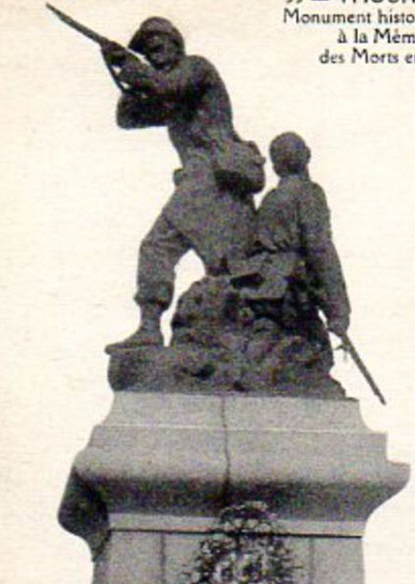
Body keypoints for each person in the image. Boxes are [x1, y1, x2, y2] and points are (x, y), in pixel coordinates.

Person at [102, 18, 264, 348]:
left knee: (160, 247)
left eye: (159, 47)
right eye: (149, 53)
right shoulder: (170, 94)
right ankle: (150, 327)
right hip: (199, 180)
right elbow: (128, 119)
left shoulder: (196, 70)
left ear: (176, 45)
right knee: (199, 258)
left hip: (213, 177)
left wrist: (134, 67)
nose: (155, 56)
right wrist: (125, 78)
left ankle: (152, 327)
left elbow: (167, 87)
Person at [230, 132, 351, 366]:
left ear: (276, 167)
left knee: (266, 340)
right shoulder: (309, 194)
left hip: (259, 288)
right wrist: (339, 309)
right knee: (318, 356)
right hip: (291, 290)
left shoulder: (270, 199)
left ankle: (245, 369)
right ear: (307, 155)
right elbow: (320, 249)